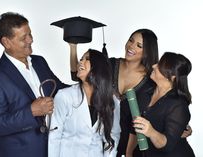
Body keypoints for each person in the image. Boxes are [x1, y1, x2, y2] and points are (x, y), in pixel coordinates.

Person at [69, 29, 192, 157]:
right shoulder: (110, 65)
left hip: (131, 142)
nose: (131, 46)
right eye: (131, 41)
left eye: (139, 46)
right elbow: (79, 75)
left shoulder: (150, 81)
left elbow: (165, 107)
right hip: (103, 134)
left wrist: (181, 128)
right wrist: (73, 47)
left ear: (147, 52)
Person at [0, 12, 69, 157]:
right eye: (23, 38)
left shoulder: (39, 62)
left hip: (52, 150)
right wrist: (32, 111)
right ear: (6, 42)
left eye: (30, 34)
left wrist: (89, 84)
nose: (30, 40)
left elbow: (60, 90)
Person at [48, 49, 121, 157]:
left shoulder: (112, 101)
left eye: (87, 59)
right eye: (81, 59)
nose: (81, 62)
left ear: (98, 67)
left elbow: (112, 138)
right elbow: (54, 136)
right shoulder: (64, 96)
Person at [132, 52, 195, 157]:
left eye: (159, 65)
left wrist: (151, 132)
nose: (154, 66)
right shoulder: (146, 90)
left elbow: (167, 146)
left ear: (171, 76)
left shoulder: (178, 105)